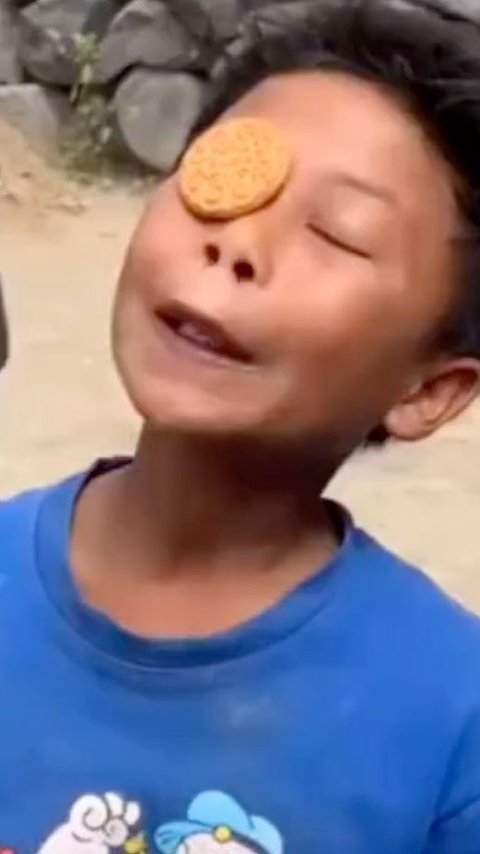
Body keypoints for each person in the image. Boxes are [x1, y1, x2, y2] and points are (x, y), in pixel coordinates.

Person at [2, 0, 480, 851]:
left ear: (428, 391)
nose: (237, 242)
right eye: (221, 182)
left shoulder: (453, 729)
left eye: (337, 233)